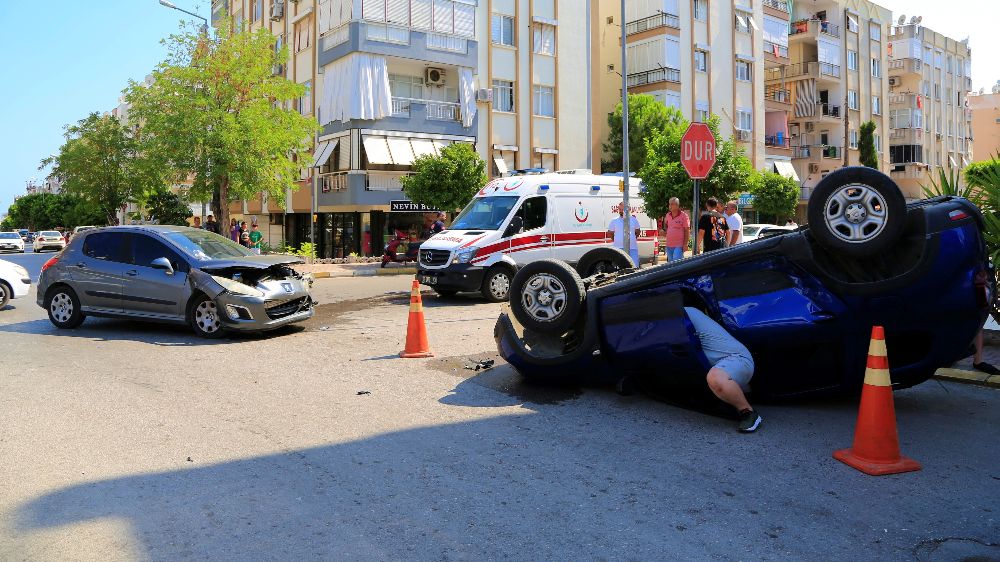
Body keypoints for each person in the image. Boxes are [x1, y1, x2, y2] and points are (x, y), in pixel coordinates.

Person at [685, 307, 762, 432]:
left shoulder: (682, 313)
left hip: (738, 359)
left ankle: (748, 412)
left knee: (716, 378)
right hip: (719, 365)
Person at [662, 197, 690, 262]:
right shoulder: (668, 215)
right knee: (670, 265)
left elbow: (687, 230)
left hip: (679, 245)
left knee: (677, 264)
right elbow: (665, 227)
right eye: (669, 204)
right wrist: (664, 231)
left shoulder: (684, 216)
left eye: (671, 204)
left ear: (677, 205)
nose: (670, 206)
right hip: (669, 245)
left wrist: (685, 244)